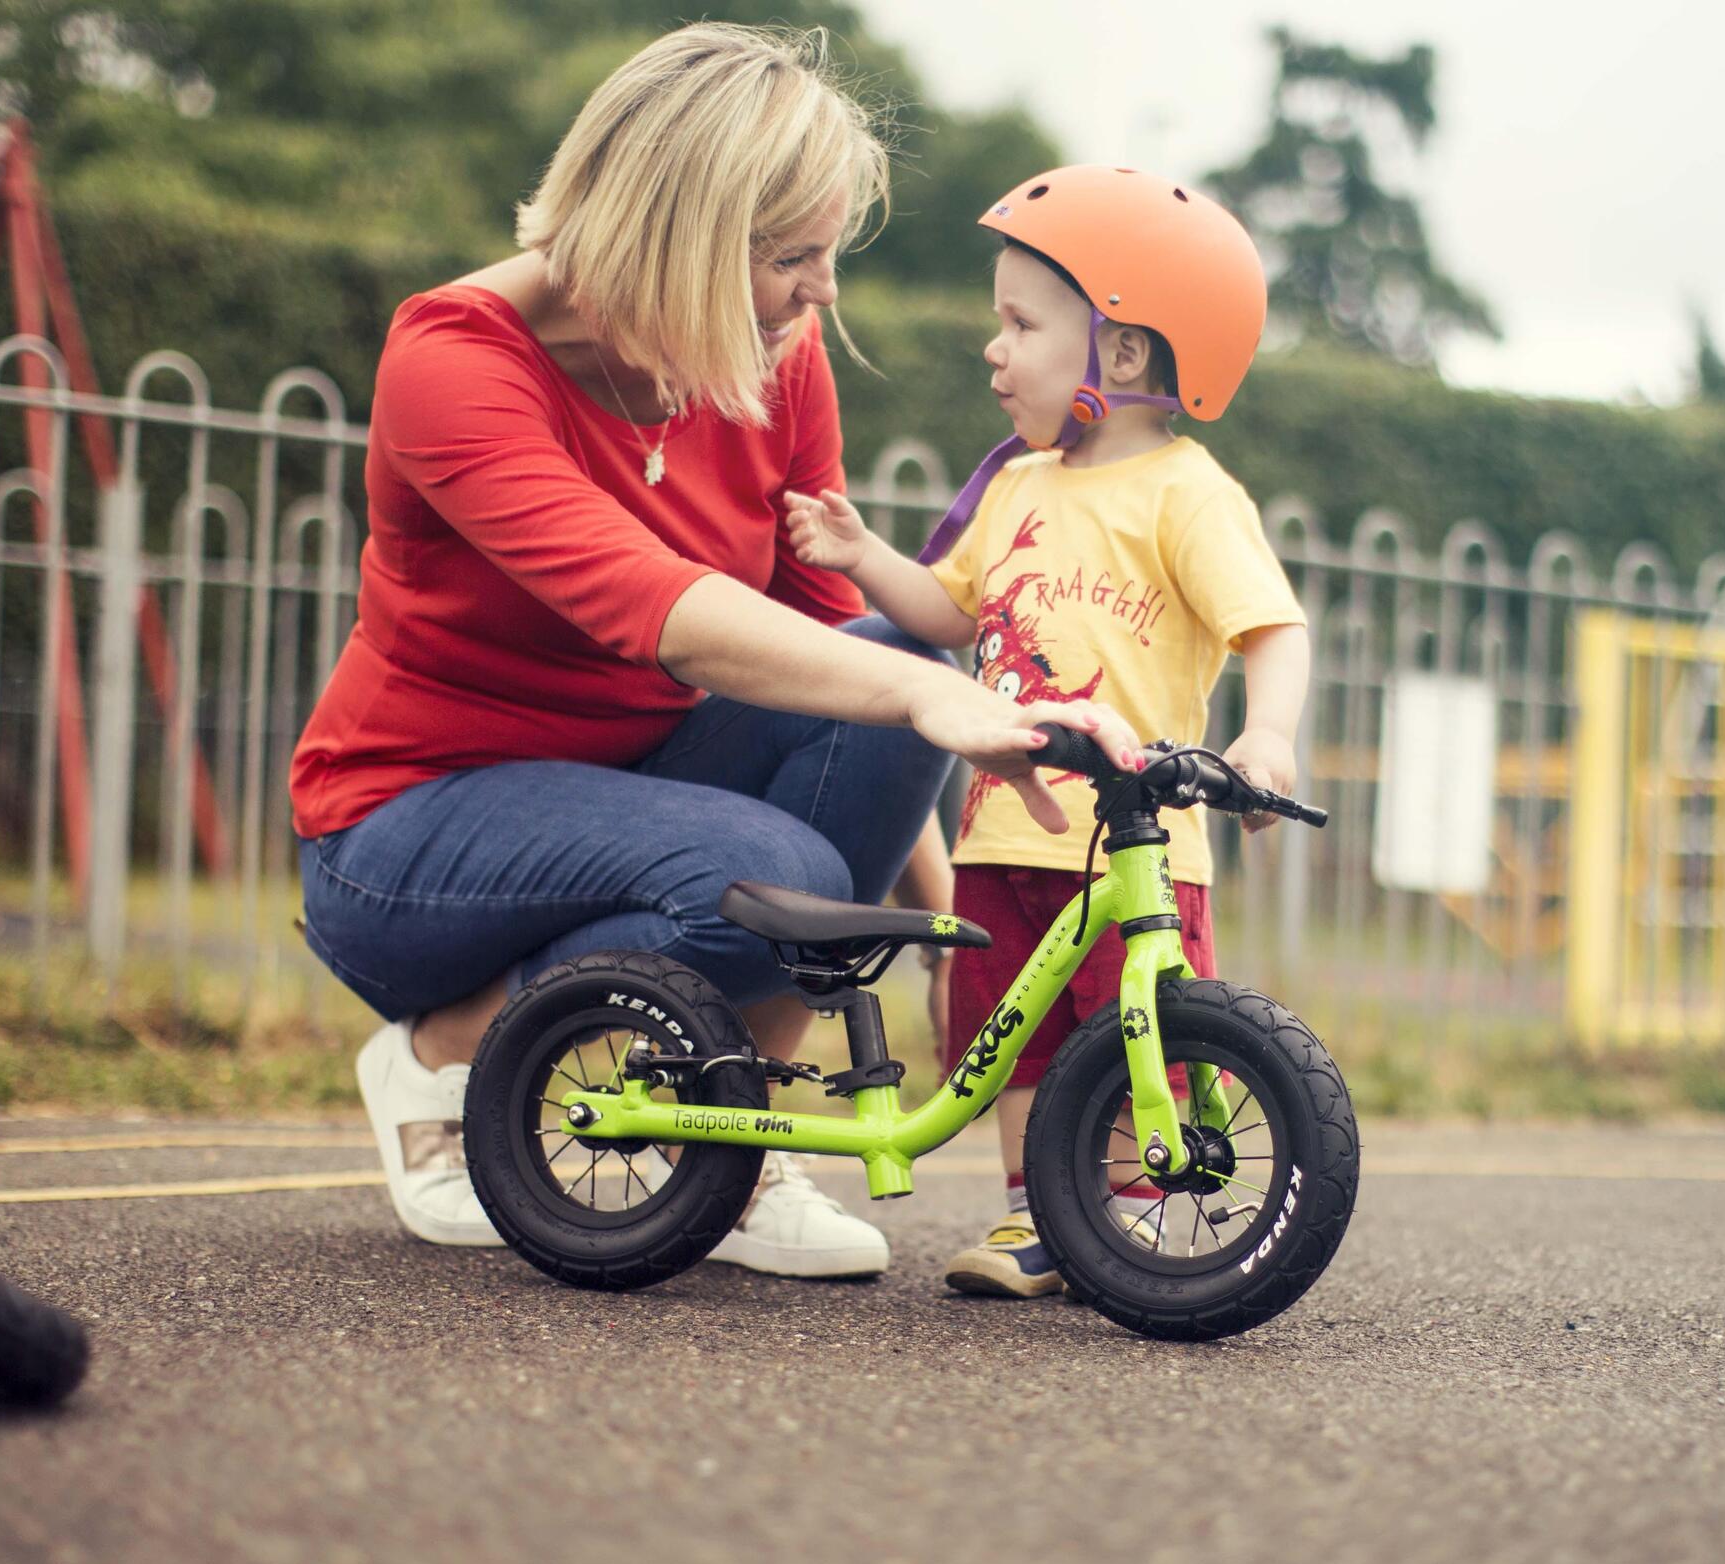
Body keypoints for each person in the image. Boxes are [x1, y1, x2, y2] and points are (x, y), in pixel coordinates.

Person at [290, 27, 1144, 1270]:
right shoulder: (455, 358)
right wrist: (921, 696)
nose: (824, 292)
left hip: (640, 795)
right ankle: (438, 1057)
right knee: (768, 862)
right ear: (678, 236)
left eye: (829, 252)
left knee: (898, 647)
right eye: (794, 257)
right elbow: (662, 607)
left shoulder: (769, 359)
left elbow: (831, 662)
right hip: (409, 837)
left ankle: (737, 1142)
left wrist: (955, 932)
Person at [780, 164, 1313, 1299]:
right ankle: (1036, 1215)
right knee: (1002, 1041)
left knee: (1134, 1034)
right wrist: (861, 552)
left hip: (1132, 850)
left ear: (1122, 354)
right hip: (1003, 839)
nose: (994, 348)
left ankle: (1110, 1211)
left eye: (1021, 324)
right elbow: (945, 612)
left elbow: (1272, 627)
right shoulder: (1018, 484)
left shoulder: (1188, 495)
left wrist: (1267, 742)